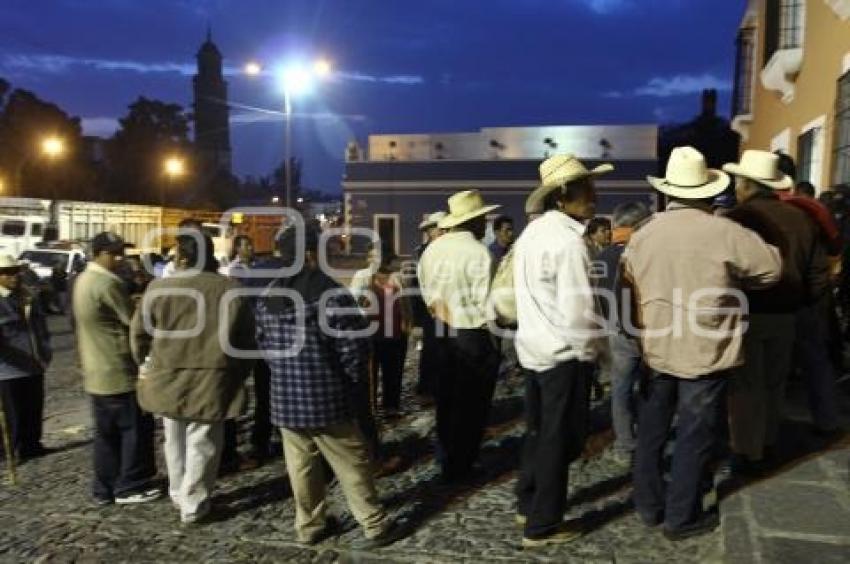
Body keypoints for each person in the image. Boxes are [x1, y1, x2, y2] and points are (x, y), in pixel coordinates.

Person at [625, 147, 782, 540]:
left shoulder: (644, 233)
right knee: (696, 436)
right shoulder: (725, 231)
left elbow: (627, 279)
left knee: (652, 432)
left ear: (669, 192)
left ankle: (648, 505)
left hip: (657, 347)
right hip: (705, 349)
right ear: (708, 192)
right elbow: (771, 269)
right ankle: (682, 517)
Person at [254, 225, 405, 548]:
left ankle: (310, 526)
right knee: (352, 464)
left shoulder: (269, 296)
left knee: (302, 467)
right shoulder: (331, 295)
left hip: (285, 401)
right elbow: (354, 350)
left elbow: (264, 347)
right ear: (310, 255)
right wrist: (352, 389)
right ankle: (375, 524)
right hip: (327, 399)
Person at [513, 154, 612, 547]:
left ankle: (528, 501)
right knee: (559, 440)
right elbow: (580, 310)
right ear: (564, 195)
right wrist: (595, 356)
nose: (595, 196)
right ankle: (542, 524)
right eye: (588, 189)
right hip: (563, 354)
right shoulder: (568, 241)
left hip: (535, 350)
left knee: (539, 434)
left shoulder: (530, 235)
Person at [131, 231, 252, 524]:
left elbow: (138, 333)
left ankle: (178, 492)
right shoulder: (229, 288)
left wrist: (144, 363)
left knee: (174, 437)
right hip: (212, 376)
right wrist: (239, 371)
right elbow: (246, 339)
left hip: (167, 374)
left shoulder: (158, 288)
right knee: (203, 440)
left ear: (182, 256)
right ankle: (193, 502)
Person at [722, 150, 831, 473]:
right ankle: (768, 443)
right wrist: (804, 303)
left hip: (747, 313)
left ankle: (747, 450)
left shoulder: (736, 220)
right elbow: (818, 272)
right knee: (774, 383)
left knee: (745, 386)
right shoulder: (801, 219)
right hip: (787, 313)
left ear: (746, 184)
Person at [418, 190, 500, 484]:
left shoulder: (432, 250)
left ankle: (446, 456)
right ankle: (463, 463)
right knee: (472, 404)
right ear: (475, 220)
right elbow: (488, 303)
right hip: (472, 334)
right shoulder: (480, 253)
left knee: (446, 399)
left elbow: (426, 292)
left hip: (441, 329)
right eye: (484, 219)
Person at [73, 233, 159, 505]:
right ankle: (130, 485)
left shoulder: (82, 280)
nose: (119, 258)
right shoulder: (106, 283)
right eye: (114, 253)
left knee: (105, 435)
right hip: (118, 368)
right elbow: (134, 322)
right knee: (133, 429)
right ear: (97, 253)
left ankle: (105, 487)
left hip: (96, 369)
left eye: (121, 252)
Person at [596, 201, 652, 468]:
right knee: (652, 388)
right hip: (650, 330)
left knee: (621, 389)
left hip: (616, 329)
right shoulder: (648, 251)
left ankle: (626, 445)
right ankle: (651, 439)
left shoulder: (603, 256)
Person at [350, 241, 412, 419]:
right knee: (369, 374)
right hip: (370, 334)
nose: (375, 259)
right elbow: (354, 302)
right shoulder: (362, 276)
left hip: (395, 333)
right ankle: (370, 408)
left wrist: (408, 324)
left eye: (379, 255)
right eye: (372, 255)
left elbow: (405, 303)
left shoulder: (397, 277)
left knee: (394, 371)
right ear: (368, 258)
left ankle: (391, 406)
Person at [226, 234, 273, 466]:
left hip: (259, 334)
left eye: (251, 244)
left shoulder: (255, 268)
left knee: (264, 391)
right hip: (249, 335)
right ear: (236, 248)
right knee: (243, 392)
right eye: (246, 245)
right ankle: (240, 443)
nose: (251, 248)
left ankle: (260, 438)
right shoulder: (235, 271)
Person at [0, 255, 52, 462]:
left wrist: (46, 353)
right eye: (8, 272)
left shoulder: (27, 297)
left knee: (33, 408)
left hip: (34, 363)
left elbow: (41, 328)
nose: (15, 276)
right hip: (8, 369)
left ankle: (32, 445)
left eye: (16, 271)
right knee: (13, 414)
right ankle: (10, 450)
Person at [412, 212, 446, 400]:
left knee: (441, 349)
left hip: (443, 308)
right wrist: (416, 320)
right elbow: (416, 288)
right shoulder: (423, 251)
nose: (438, 232)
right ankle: (427, 388)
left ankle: (437, 386)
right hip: (430, 309)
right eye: (435, 228)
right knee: (431, 350)